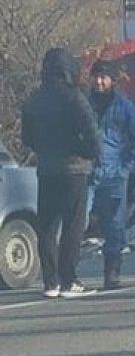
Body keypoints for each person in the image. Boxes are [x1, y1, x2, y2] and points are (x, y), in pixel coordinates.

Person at [21, 48, 102, 298]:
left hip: (46, 169)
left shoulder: (34, 99)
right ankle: (70, 280)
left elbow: (28, 138)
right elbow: (92, 133)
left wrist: (45, 150)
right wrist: (88, 153)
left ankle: (50, 282)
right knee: (73, 225)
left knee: (46, 226)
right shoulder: (74, 97)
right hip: (74, 169)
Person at [89, 59, 135, 290]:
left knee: (115, 226)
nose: (99, 81)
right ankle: (68, 274)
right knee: (78, 222)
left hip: (115, 174)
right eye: (96, 76)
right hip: (87, 174)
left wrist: (127, 168)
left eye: (104, 77)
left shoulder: (124, 106)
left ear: (112, 80)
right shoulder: (83, 103)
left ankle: (112, 273)